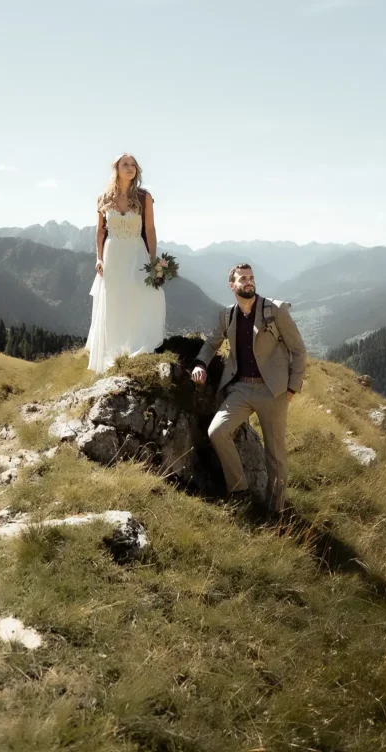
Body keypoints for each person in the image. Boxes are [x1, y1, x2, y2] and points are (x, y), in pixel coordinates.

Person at [191, 263, 307, 514]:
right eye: (242, 279)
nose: (249, 282)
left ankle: (275, 510)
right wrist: (200, 363)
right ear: (232, 285)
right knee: (217, 431)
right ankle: (239, 489)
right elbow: (212, 343)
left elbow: (298, 350)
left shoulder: (275, 311)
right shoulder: (228, 315)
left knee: (275, 455)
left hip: (272, 391)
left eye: (251, 277)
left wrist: (291, 389)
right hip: (241, 389)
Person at [86, 153, 166, 373]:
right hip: (112, 254)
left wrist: (153, 260)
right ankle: (115, 348)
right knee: (114, 299)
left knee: (141, 294)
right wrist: (99, 258)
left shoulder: (143, 197)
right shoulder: (104, 198)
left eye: (133, 165)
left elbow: (149, 229)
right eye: (125, 164)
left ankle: (137, 342)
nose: (130, 168)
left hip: (136, 252)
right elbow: (99, 232)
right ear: (117, 169)